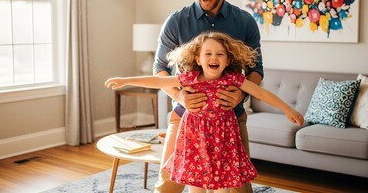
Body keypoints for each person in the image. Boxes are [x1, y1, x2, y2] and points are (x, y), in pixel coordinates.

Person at [105, 32, 304, 193]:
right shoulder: (190, 78)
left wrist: (288, 109)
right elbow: (158, 81)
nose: (214, 58)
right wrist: (125, 80)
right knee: (196, 186)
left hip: (223, 141)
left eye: (220, 54)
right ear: (198, 59)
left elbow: (261, 92)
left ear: (227, 60)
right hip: (194, 141)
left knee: (223, 186)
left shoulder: (234, 79)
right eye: (208, 54)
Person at [154, 0, 263, 192]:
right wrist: (180, 97)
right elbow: (160, 70)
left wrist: (239, 94)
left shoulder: (245, 22)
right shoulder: (175, 22)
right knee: (167, 186)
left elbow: (256, 71)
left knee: (238, 189)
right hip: (185, 117)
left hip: (231, 118)